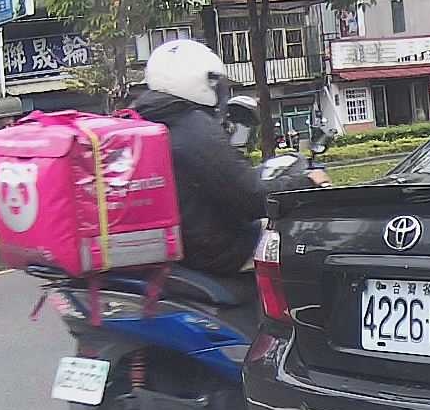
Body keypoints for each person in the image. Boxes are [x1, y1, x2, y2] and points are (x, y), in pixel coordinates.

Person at [130, 39, 326, 276]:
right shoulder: (194, 127)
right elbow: (251, 198)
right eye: (213, 82)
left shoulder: (143, 121)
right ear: (195, 81)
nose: (218, 91)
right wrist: (306, 183)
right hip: (213, 253)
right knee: (302, 241)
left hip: (177, 249)